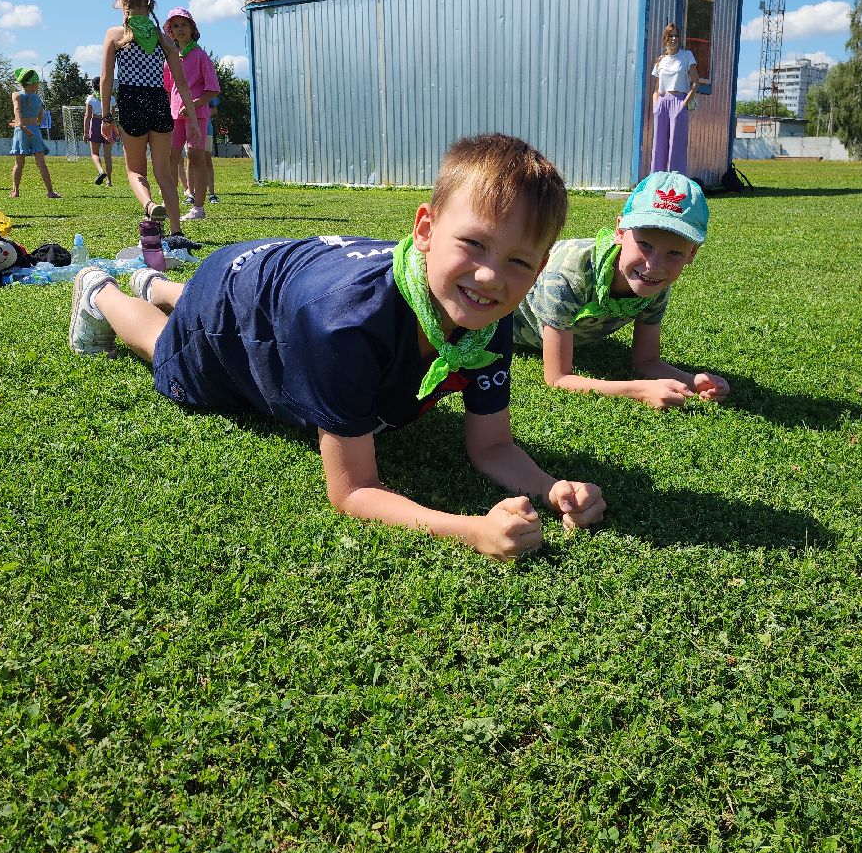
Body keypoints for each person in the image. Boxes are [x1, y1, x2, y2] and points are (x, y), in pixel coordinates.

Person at [67, 133, 606, 559]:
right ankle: (104, 292)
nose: (491, 276)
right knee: (171, 351)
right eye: (474, 243)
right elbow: (352, 492)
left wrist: (550, 485)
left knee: (258, 311)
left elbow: (490, 447)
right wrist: (471, 530)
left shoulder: (489, 315)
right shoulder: (347, 326)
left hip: (293, 277)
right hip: (236, 299)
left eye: (517, 261)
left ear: (537, 270)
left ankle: (158, 285)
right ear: (425, 228)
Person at [514, 170, 728, 410]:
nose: (653, 266)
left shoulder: (655, 285)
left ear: (691, 254)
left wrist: (692, 380)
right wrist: (638, 390)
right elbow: (558, 378)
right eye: (645, 244)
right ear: (620, 231)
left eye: (674, 253)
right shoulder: (567, 276)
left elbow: (646, 361)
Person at [98, 0, 203, 238]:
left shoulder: (115, 35)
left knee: (135, 170)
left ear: (123, 3)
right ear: (150, 4)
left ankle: (149, 204)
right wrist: (191, 120)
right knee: (164, 173)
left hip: (132, 102)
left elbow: (106, 79)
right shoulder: (164, 40)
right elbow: (182, 85)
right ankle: (177, 231)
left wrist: (106, 116)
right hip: (159, 102)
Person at [161, 7, 219, 221]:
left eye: (184, 25)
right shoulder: (170, 58)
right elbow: (168, 90)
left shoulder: (201, 56)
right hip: (175, 115)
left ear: (192, 29)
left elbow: (213, 89)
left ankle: (198, 208)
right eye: (175, 26)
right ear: (170, 32)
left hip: (198, 115)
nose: (180, 29)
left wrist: (194, 104)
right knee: (171, 158)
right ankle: (169, 202)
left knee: (197, 159)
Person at [650, 22, 699, 175]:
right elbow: (656, 88)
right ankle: (657, 182)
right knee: (659, 145)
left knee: (676, 146)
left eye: (676, 35)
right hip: (662, 103)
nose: (673, 39)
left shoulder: (686, 55)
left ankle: (676, 184)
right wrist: (655, 106)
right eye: (670, 36)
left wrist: (684, 103)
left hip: (679, 101)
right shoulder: (660, 61)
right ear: (665, 38)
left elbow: (696, 81)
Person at [9, 68, 63, 200]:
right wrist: (31, 123)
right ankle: (50, 191)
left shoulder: (16, 95)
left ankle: (15, 191)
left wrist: (20, 124)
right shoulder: (38, 99)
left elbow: (17, 110)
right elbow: (40, 118)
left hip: (21, 132)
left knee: (19, 163)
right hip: (34, 131)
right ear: (33, 83)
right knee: (41, 163)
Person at [83, 76, 114, 186]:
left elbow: (87, 115)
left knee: (94, 153)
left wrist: (86, 132)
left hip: (95, 123)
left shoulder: (91, 98)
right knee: (108, 155)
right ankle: (109, 181)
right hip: (108, 124)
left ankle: (101, 171)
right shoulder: (111, 98)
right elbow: (113, 115)